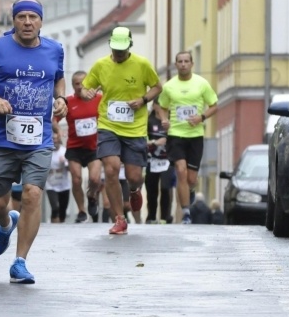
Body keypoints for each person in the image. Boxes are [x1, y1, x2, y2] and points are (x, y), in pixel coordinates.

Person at [0, 0, 67, 284]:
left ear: (41, 21)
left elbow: (58, 78)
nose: (27, 22)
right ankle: (5, 223)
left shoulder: (55, 49)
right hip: (2, 139)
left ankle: (20, 262)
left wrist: (61, 98)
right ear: (13, 21)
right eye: (21, 17)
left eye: (32, 17)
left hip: (39, 138)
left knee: (32, 194)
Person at [80, 26, 162, 235]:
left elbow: (157, 87)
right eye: (115, 49)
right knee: (111, 169)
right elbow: (85, 87)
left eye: (122, 49)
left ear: (129, 46)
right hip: (108, 125)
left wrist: (143, 99)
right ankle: (119, 218)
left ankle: (134, 190)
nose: (118, 53)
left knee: (134, 177)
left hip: (135, 128)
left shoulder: (142, 64)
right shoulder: (101, 65)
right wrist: (86, 93)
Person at [157, 51, 218, 224]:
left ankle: (189, 191)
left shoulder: (201, 83)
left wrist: (201, 117)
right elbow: (161, 106)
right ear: (176, 65)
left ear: (191, 64)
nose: (183, 64)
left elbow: (214, 105)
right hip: (176, 135)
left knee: (191, 179)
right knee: (180, 171)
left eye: (186, 61)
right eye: (180, 61)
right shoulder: (169, 86)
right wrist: (164, 120)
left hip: (195, 136)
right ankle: (185, 213)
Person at [62, 70, 103, 223]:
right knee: (76, 179)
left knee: (94, 179)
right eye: (76, 84)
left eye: (82, 83)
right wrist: (57, 129)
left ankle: (91, 195)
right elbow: (54, 119)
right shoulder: (68, 102)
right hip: (75, 147)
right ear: (72, 85)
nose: (80, 86)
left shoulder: (99, 99)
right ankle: (81, 210)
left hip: (94, 147)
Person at [145, 101, 174, 224]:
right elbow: (142, 140)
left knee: (165, 188)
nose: (163, 108)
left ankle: (164, 217)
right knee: (152, 190)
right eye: (160, 105)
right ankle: (151, 216)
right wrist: (155, 142)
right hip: (152, 160)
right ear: (155, 106)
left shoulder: (171, 121)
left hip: (167, 160)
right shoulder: (149, 121)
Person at [46, 132, 71, 223]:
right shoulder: (46, 152)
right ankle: (54, 226)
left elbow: (71, 169)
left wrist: (65, 162)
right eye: (53, 139)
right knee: (55, 207)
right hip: (51, 185)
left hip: (64, 186)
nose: (55, 141)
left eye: (56, 138)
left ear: (59, 140)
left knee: (62, 210)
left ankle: (61, 227)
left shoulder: (64, 151)